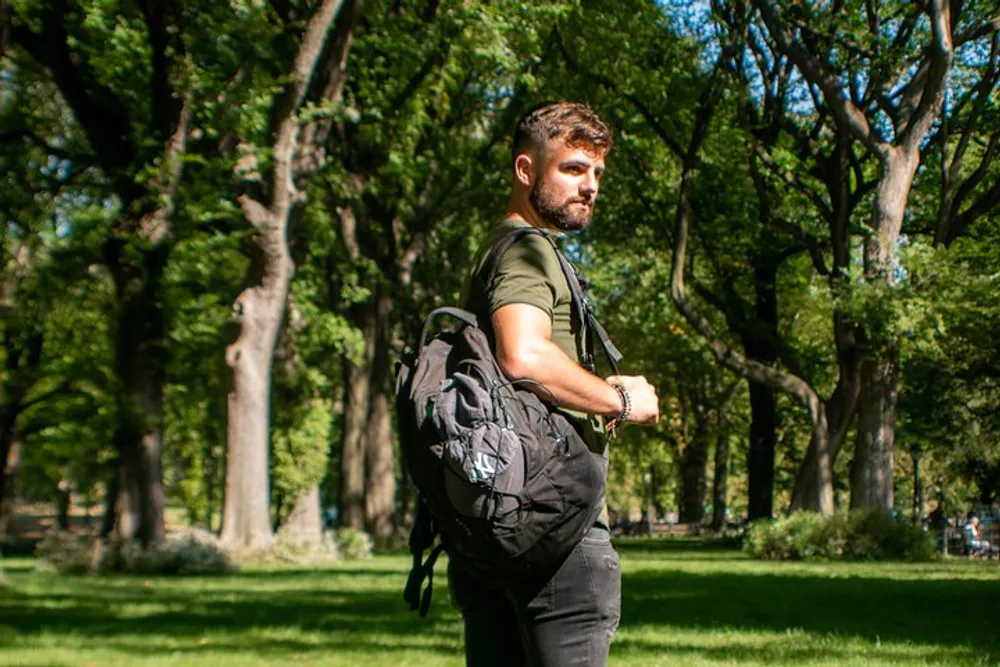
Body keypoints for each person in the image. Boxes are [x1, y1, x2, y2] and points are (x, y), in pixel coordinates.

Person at [447, 101, 661, 667]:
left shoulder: (493, 248)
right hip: (557, 534)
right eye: (572, 168)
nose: (589, 186)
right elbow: (524, 356)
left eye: (596, 174)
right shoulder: (526, 250)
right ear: (525, 170)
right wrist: (621, 401)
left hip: (493, 530)